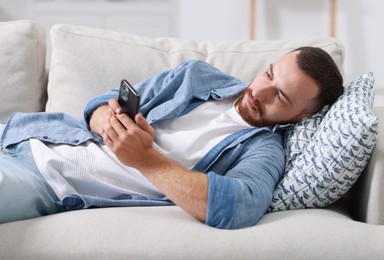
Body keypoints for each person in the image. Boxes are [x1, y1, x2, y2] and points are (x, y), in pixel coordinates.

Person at [0, 47, 343, 229]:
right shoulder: (196, 76)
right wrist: (108, 120)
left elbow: (238, 206)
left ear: (304, 116)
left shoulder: (263, 151)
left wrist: (146, 159)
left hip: (44, 179)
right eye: (269, 73)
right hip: (28, 135)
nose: (261, 91)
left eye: (280, 97)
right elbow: (98, 105)